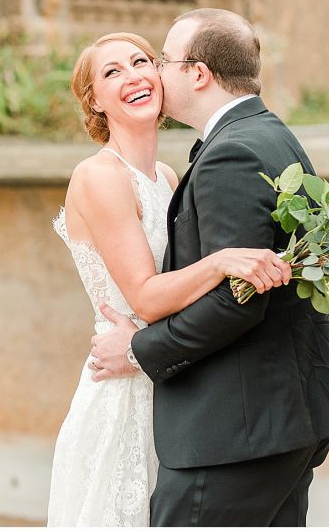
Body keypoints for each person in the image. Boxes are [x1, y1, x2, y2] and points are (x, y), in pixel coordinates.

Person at [89, 9, 329, 526]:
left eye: (161, 60)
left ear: (198, 73)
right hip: (280, 422)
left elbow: (238, 300)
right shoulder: (271, 133)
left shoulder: (229, 154)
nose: (154, 73)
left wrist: (138, 351)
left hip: (234, 434)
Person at [47, 30, 293, 527]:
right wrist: (224, 260)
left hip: (174, 379)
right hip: (123, 386)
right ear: (94, 99)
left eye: (141, 61)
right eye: (112, 71)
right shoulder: (98, 176)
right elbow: (145, 296)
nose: (133, 75)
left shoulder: (167, 175)